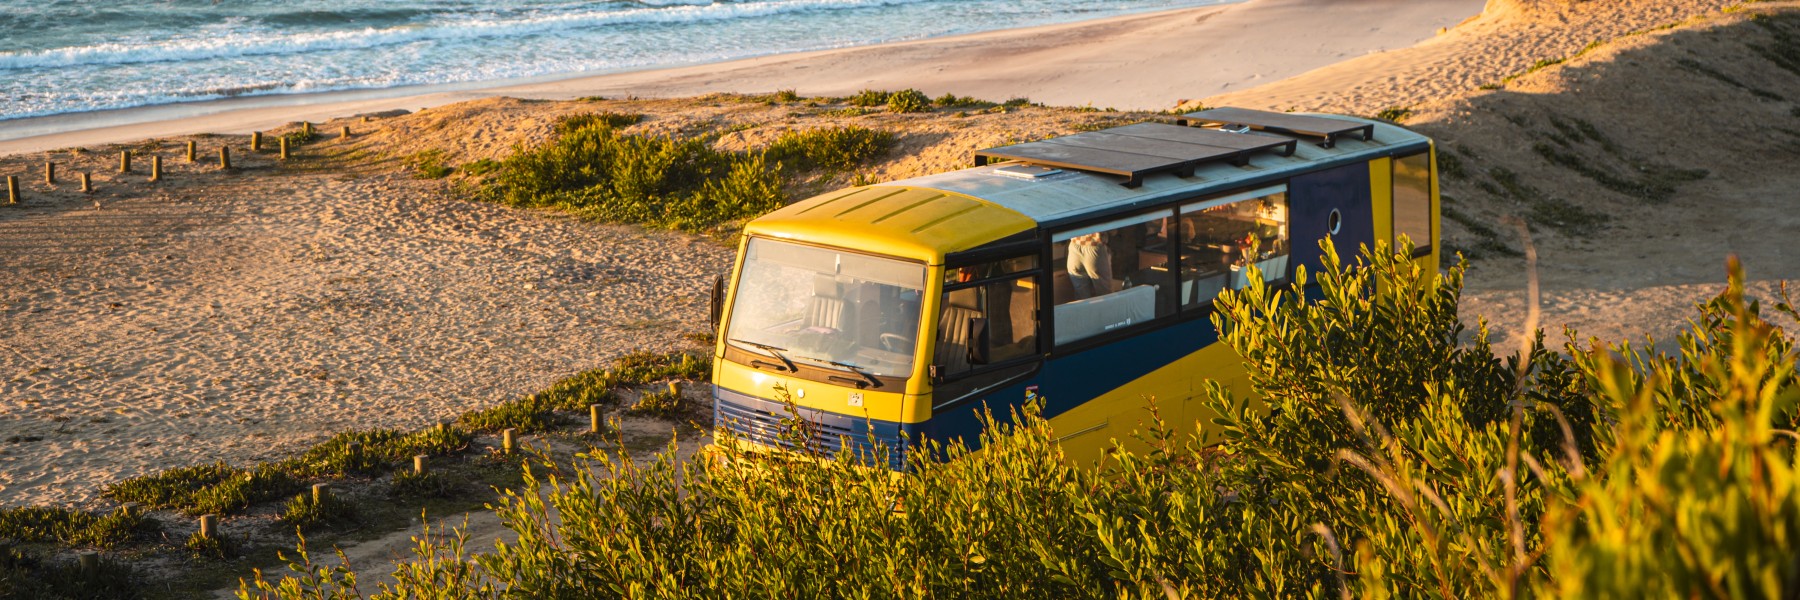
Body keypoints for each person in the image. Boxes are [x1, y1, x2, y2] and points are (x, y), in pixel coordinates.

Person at [1066, 232, 1112, 299]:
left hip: (1074, 246)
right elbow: (1113, 231)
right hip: (1095, 246)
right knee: (1104, 294)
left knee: (1081, 296)